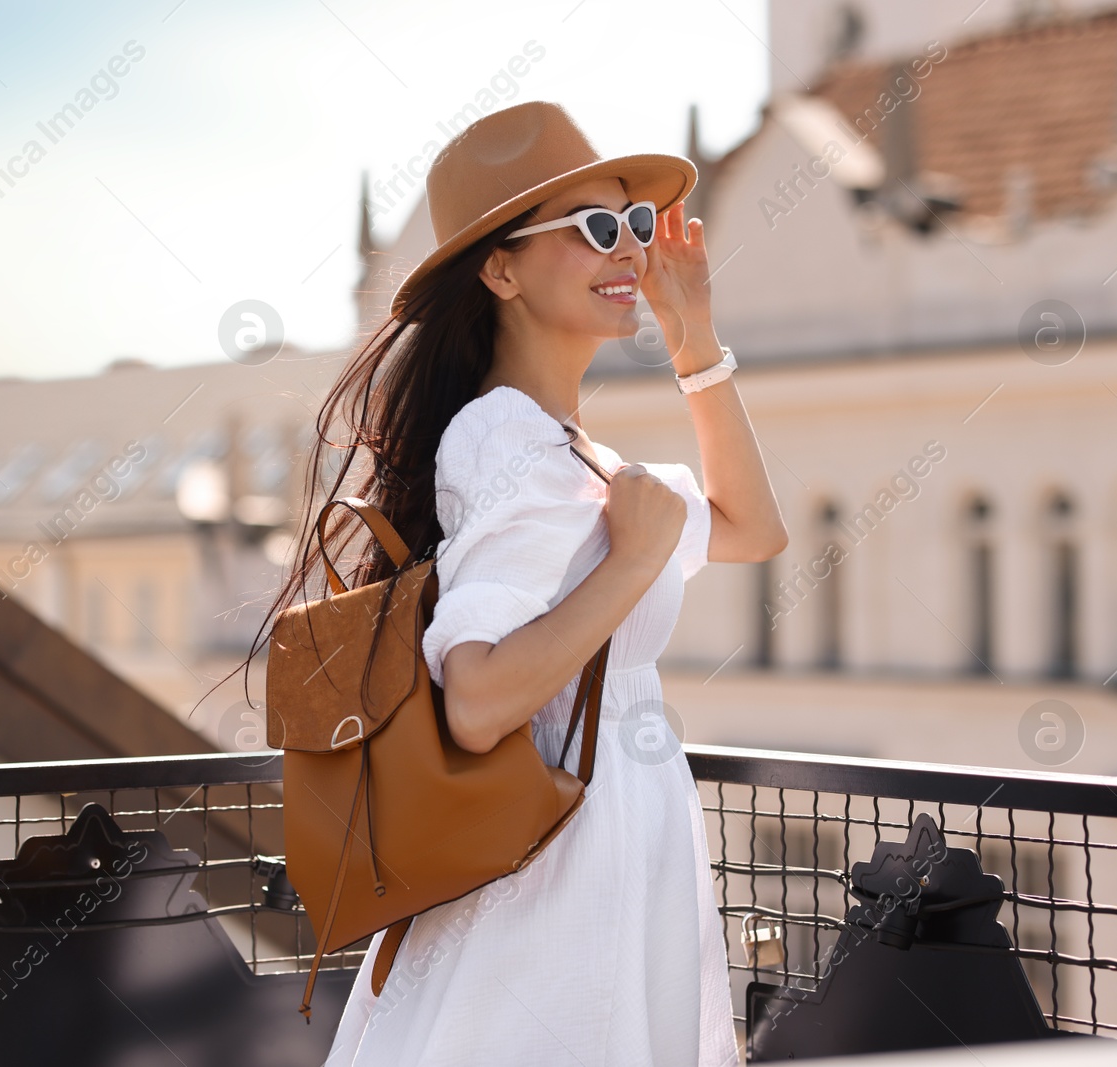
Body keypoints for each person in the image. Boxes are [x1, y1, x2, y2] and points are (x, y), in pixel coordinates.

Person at [255, 100, 786, 1066]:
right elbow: (479, 696)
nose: (627, 249)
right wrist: (630, 562)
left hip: (606, 849)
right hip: (558, 877)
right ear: (500, 269)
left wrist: (693, 336)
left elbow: (755, 527)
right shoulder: (504, 439)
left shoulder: (569, 455)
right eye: (592, 228)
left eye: (632, 225)